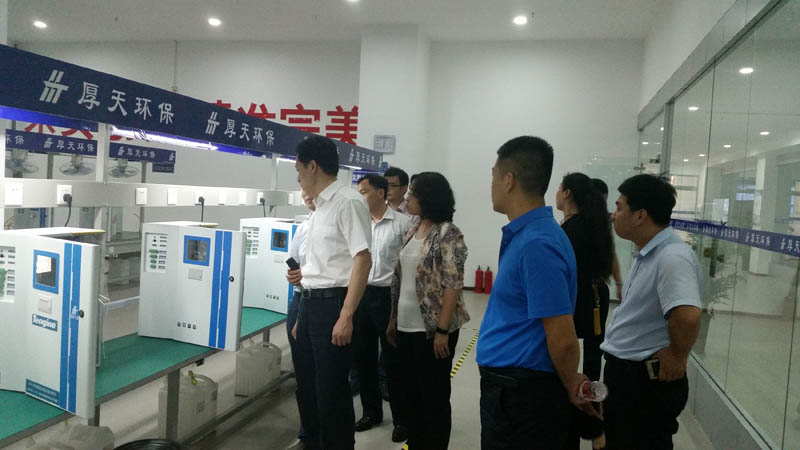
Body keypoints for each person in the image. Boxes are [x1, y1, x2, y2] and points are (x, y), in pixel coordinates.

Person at [476, 136, 600, 449]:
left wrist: (570, 383)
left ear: (509, 180)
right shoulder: (529, 235)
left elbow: (563, 337)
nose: (491, 184)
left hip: (521, 398)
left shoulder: (537, 244)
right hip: (513, 390)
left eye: (493, 175)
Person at [601, 174, 702, 449]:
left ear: (640, 215)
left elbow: (688, 315)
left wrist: (677, 355)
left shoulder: (672, 257)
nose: (613, 215)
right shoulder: (649, 252)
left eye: (619, 207)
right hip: (628, 378)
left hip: (643, 385)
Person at [287, 136, 373, 450]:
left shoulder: (347, 201)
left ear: (313, 166)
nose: (298, 177)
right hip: (310, 305)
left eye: (299, 169)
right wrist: (303, 316)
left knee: (331, 393)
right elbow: (318, 266)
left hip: (334, 306)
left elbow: (363, 259)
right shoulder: (319, 208)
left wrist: (346, 316)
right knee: (308, 387)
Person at [386, 171, 470, 450]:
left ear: (428, 198)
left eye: (413, 193)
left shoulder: (448, 233)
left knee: (433, 397)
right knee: (411, 394)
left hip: (433, 329)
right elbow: (402, 279)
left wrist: (442, 331)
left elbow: (452, 284)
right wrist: (393, 320)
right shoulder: (412, 228)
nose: (408, 198)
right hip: (406, 325)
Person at [555, 173, 614, 450]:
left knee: (573, 365)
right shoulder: (588, 224)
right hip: (594, 298)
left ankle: (587, 427)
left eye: (559, 188)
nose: (556, 193)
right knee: (591, 363)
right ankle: (594, 429)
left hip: (581, 300)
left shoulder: (571, 230)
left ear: (567, 193)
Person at [353, 174, 413, 442]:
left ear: (380, 193)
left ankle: (402, 419)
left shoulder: (402, 223)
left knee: (394, 362)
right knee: (363, 358)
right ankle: (371, 412)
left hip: (390, 296)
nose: (360, 197)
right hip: (361, 294)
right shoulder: (358, 224)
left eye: (363, 192)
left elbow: (409, 266)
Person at [287, 190, 315, 450]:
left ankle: (318, 432)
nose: (307, 194)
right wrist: (293, 275)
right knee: (303, 373)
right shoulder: (304, 225)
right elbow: (294, 260)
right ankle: (308, 430)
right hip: (298, 298)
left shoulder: (333, 224)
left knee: (318, 374)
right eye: (303, 190)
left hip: (317, 301)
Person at [592, 178, 624, 300]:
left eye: (604, 201)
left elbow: (611, 252)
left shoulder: (603, 222)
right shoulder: (575, 224)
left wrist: (619, 283)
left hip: (597, 287)